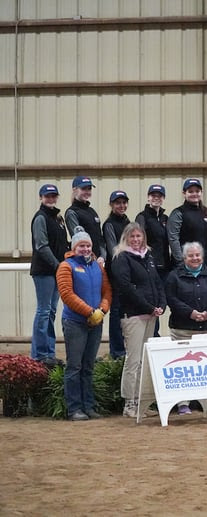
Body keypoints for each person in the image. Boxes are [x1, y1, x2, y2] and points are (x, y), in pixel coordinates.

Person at [165, 242, 207, 414]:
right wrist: (190, 313)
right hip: (182, 330)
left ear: (202, 256)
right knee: (183, 371)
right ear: (184, 258)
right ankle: (182, 404)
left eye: (197, 255)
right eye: (191, 256)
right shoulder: (174, 276)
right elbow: (171, 299)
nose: (195, 258)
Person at [56, 227, 111, 421]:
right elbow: (67, 294)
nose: (86, 249)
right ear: (74, 247)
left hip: (96, 322)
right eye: (81, 246)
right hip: (75, 323)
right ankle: (74, 409)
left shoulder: (97, 266)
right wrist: (89, 312)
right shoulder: (66, 266)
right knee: (74, 367)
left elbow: (107, 291)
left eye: (88, 245)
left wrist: (102, 310)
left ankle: (88, 406)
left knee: (88, 366)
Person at [111, 223, 165, 418]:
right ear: (126, 238)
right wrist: (148, 307)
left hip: (150, 316)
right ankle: (130, 403)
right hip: (133, 315)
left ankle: (141, 402)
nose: (136, 239)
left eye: (139, 236)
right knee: (133, 361)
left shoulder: (148, 257)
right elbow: (126, 288)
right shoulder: (121, 258)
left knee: (144, 361)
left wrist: (161, 305)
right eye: (132, 236)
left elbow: (157, 283)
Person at [30, 184, 70, 365]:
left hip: (56, 271)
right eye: (47, 196)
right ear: (41, 197)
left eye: (54, 196)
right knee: (44, 311)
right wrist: (58, 266)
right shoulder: (40, 218)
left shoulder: (58, 218)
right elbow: (41, 246)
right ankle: (39, 355)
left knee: (51, 311)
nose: (51, 199)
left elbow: (62, 244)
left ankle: (49, 352)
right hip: (45, 272)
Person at [135, 184, 170, 335]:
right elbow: (139, 240)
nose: (156, 198)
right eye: (153, 195)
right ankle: (151, 335)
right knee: (151, 302)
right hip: (149, 267)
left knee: (162, 301)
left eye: (159, 195)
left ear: (163, 198)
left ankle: (156, 334)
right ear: (148, 197)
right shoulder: (142, 217)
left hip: (165, 267)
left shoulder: (165, 219)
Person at [103, 190, 131, 359]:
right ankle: (116, 350)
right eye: (118, 203)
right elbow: (114, 250)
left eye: (123, 202)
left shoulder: (128, 222)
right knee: (116, 311)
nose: (121, 205)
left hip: (128, 272)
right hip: (116, 273)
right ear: (112, 205)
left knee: (125, 312)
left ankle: (124, 348)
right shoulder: (109, 224)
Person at [167, 178, 207, 269]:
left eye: (197, 191)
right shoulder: (178, 213)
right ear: (184, 193)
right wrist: (181, 261)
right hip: (186, 265)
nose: (194, 194)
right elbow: (173, 239)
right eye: (190, 191)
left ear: (201, 192)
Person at [65, 176, 106, 266]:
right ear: (75, 190)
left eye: (89, 189)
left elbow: (100, 238)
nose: (87, 192)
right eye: (83, 189)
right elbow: (78, 239)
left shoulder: (92, 211)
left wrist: (102, 256)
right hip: (83, 262)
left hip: (98, 261)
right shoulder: (72, 213)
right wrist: (90, 257)